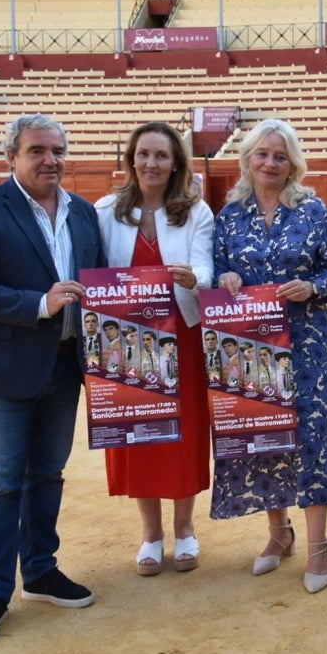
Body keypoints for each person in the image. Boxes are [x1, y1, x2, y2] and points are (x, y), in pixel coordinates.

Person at [0, 114, 104, 650]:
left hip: (63, 367)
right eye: (37, 150)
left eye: (57, 149)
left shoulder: (83, 213)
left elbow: (100, 288)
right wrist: (38, 304)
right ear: (12, 156)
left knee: (49, 475)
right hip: (2, 370)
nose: (50, 160)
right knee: (0, 482)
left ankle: (39, 570)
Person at [212, 119, 327, 594]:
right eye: (263, 154)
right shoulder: (230, 215)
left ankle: (317, 547)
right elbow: (217, 270)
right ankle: (278, 535)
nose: (270, 163)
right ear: (249, 158)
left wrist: (312, 285)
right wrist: (225, 279)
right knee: (264, 435)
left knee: (312, 437)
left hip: (307, 342)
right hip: (253, 344)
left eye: (280, 155)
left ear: (293, 163)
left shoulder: (312, 209)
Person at [95, 121, 214, 578]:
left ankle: (185, 529)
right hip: (123, 340)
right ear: (131, 159)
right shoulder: (105, 209)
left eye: (161, 156)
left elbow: (204, 263)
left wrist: (195, 278)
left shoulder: (195, 212)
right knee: (137, 432)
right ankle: (150, 535)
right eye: (143, 154)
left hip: (180, 334)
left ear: (176, 163)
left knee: (181, 432)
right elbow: (95, 268)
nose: (151, 163)